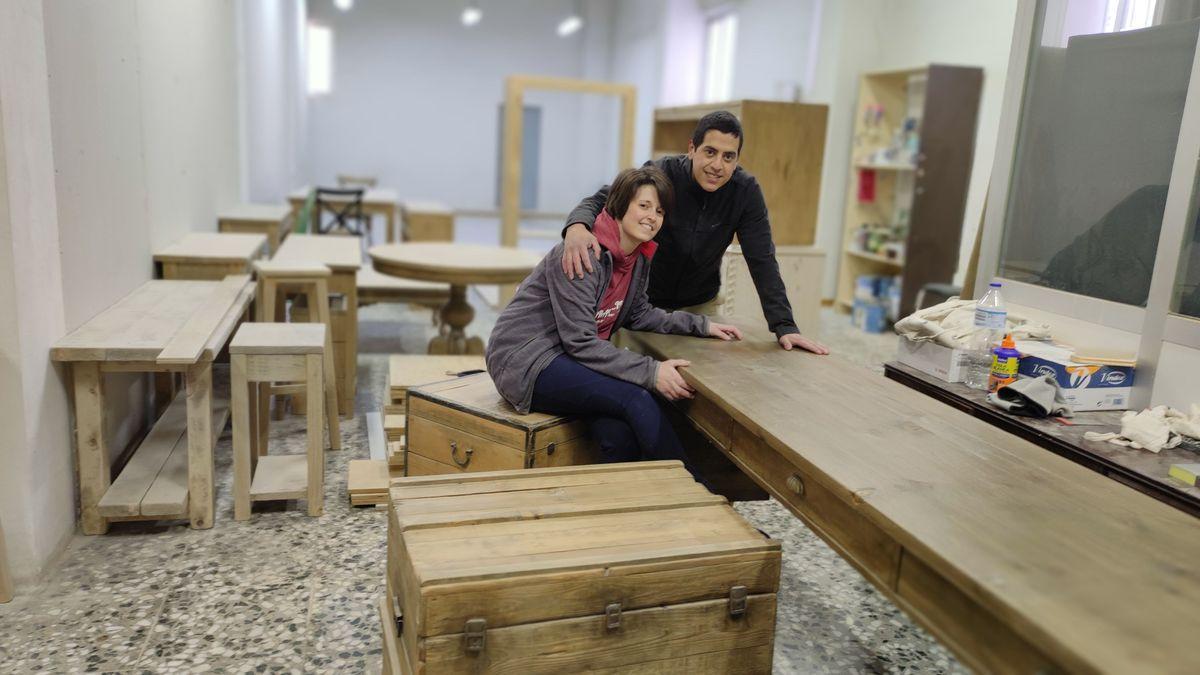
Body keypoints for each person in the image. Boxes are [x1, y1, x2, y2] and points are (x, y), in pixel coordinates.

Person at [486, 166, 742, 478]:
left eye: (659, 210)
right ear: (620, 206)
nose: (652, 216)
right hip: (528, 359)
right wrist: (651, 370)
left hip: (572, 357)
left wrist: (702, 325)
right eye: (644, 206)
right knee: (636, 396)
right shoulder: (584, 253)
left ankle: (620, 513)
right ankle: (698, 496)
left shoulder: (637, 256)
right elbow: (580, 340)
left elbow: (638, 313)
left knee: (618, 434)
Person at [561, 110, 830, 355]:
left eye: (728, 157)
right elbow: (602, 200)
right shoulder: (661, 174)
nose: (718, 165)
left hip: (699, 302)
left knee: (697, 377)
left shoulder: (745, 192)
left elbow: (762, 259)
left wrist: (785, 325)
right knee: (631, 368)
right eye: (710, 152)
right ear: (692, 148)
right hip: (641, 303)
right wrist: (576, 227)